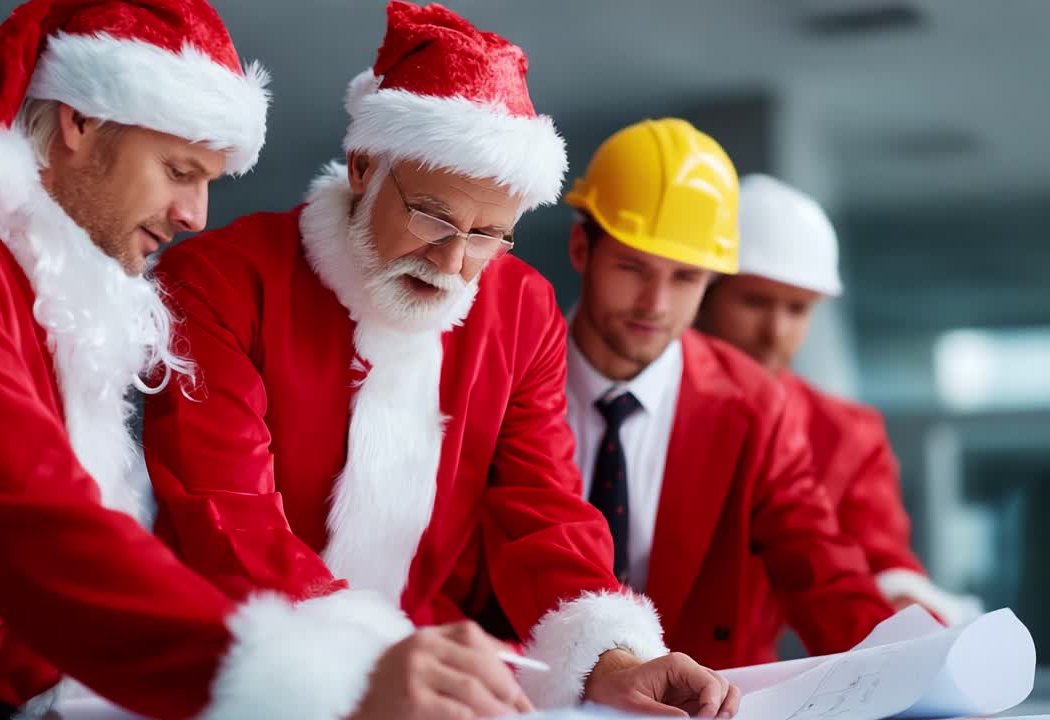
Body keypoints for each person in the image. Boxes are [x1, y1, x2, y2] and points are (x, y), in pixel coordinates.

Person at [0, 2, 459, 718]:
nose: (196, 215)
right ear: (80, 120)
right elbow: (38, 528)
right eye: (178, 170)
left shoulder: (31, 269)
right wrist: (325, 685)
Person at [143, 1, 740, 715]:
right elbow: (228, 517)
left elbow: (541, 512)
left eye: (491, 234)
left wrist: (611, 658)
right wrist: (367, 662)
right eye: (433, 215)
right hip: (237, 675)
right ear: (364, 166)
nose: (454, 262)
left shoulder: (522, 310)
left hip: (433, 686)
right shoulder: (219, 280)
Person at [562, 119, 895, 669]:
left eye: (686, 278)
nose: (655, 304)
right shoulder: (515, 369)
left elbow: (822, 571)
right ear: (581, 249)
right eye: (631, 267)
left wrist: (912, 676)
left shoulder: (754, 403)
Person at [695, 173, 980, 639]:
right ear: (705, 292)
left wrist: (928, 652)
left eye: (798, 308)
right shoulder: (632, 400)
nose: (776, 331)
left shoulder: (846, 434)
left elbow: (883, 569)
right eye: (755, 301)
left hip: (737, 695)